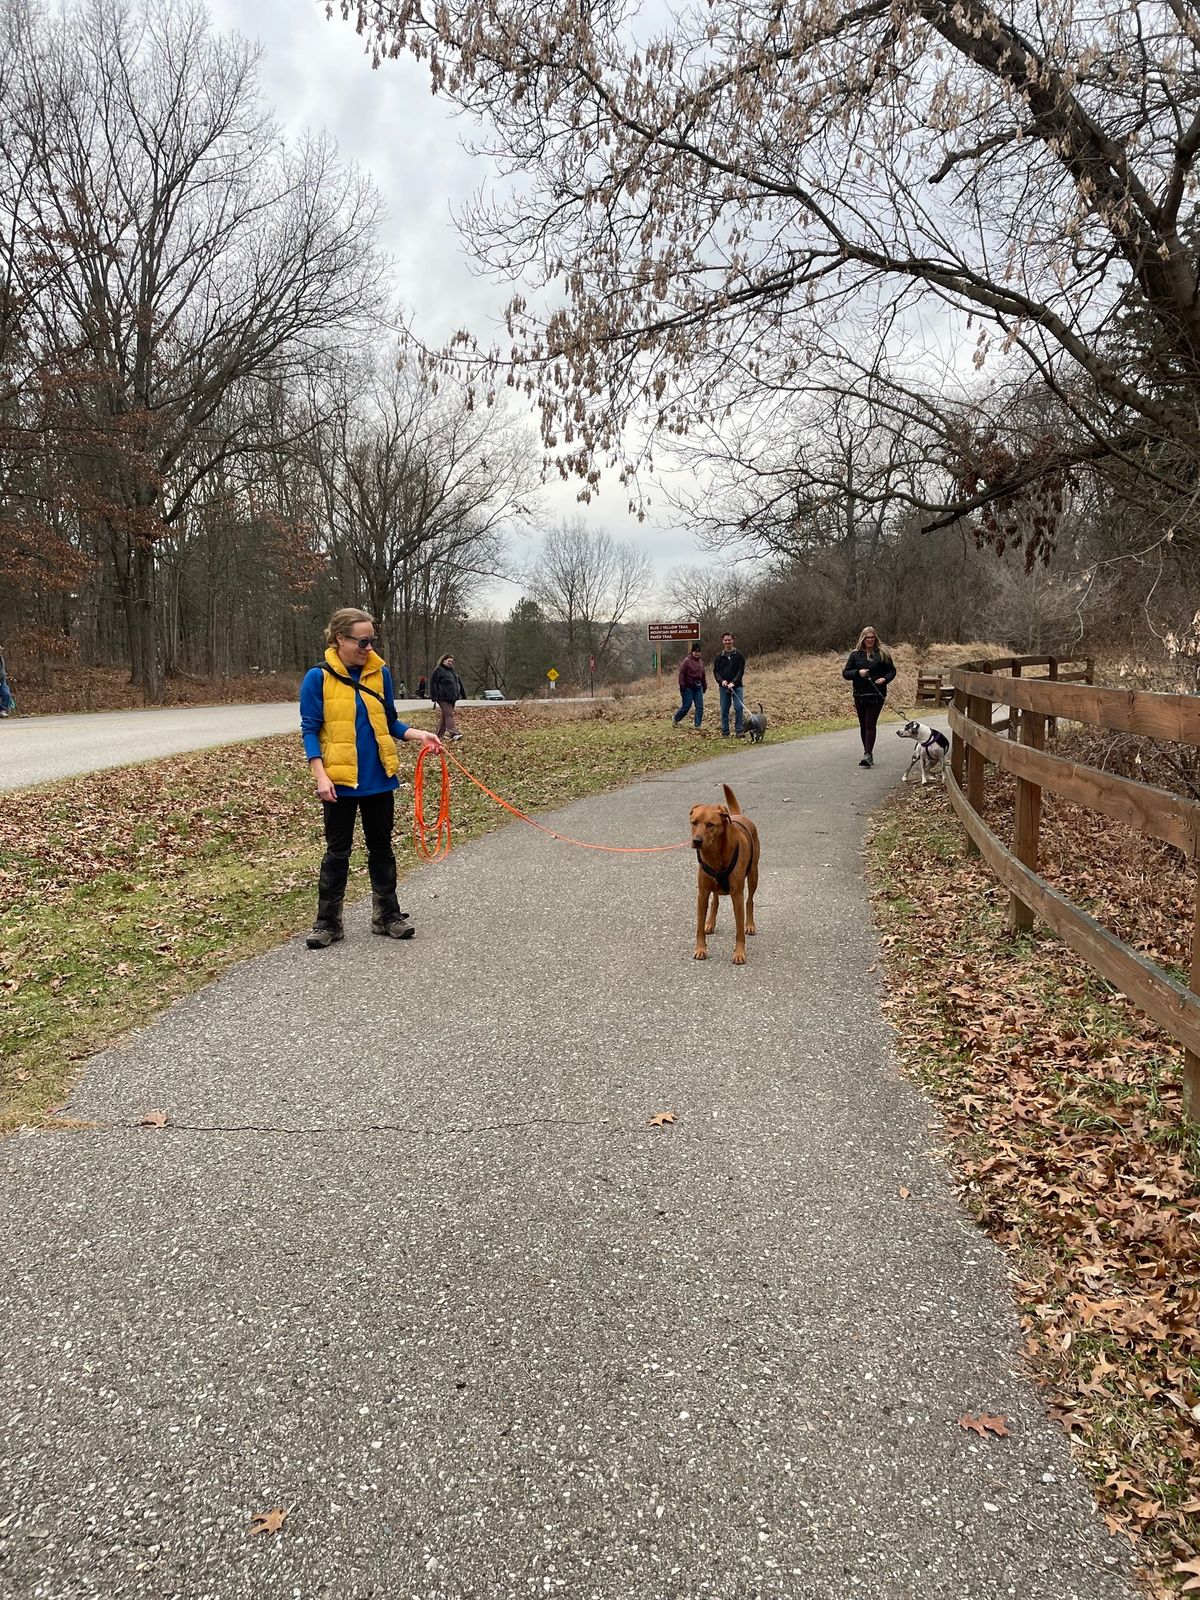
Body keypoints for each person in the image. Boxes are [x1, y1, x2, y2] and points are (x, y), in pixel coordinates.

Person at [300, 607, 442, 949]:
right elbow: (310, 730)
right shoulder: (317, 678)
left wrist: (419, 734)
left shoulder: (380, 674)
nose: (368, 648)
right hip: (340, 781)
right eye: (363, 641)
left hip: (379, 777)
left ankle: (387, 915)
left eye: (372, 641)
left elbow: (390, 722)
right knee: (338, 851)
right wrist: (320, 775)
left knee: (381, 847)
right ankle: (328, 922)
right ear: (340, 639)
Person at [842, 624, 897, 767]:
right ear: (863, 639)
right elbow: (846, 673)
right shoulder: (855, 654)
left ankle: (868, 754)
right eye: (867, 638)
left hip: (876, 694)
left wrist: (885, 679)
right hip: (860, 694)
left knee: (870, 724)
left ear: (875, 638)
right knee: (863, 725)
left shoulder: (883, 654)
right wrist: (858, 673)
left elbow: (892, 671)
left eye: (872, 637)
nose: (870, 640)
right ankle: (867, 752)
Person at [713, 631, 746, 737]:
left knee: (738, 708)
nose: (727, 642)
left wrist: (733, 682)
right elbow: (716, 671)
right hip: (723, 687)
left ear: (733, 640)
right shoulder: (719, 656)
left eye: (729, 640)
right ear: (723, 641)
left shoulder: (739, 655)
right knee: (724, 710)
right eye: (725, 640)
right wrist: (721, 681)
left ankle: (739, 730)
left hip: (737, 686)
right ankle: (725, 732)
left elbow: (741, 671)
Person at [429, 653, 466, 742]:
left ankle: (438, 735)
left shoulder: (452, 671)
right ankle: (454, 733)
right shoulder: (438, 671)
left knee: (445, 716)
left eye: (451, 661)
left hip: (452, 697)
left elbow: (458, 682)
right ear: (443, 660)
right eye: (448, 661)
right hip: (442, 697)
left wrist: (462, 693)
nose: (450, 663)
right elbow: (433, 684)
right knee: (449, 714)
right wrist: (434, 696)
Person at [673, 642, 707, 729]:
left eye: (699, 652)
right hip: (687, 686)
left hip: (698, 686)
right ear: (692, 652)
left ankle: (697, 725)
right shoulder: (687, 661)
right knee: (687, 705)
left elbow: (703, 675)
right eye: (695, 651)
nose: (697, 653)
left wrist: (704, 685)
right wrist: (682, 685)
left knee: (700, 706)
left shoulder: (701, 663)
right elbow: (682, 673)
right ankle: (676, 718)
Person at [0, 646, 13, 718]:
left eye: (1, 650)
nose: (1, 652)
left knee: (7, 694)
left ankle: (2, 710)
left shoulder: (2, 658)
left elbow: (3, 668)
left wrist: (5, 674)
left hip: (2, 681)